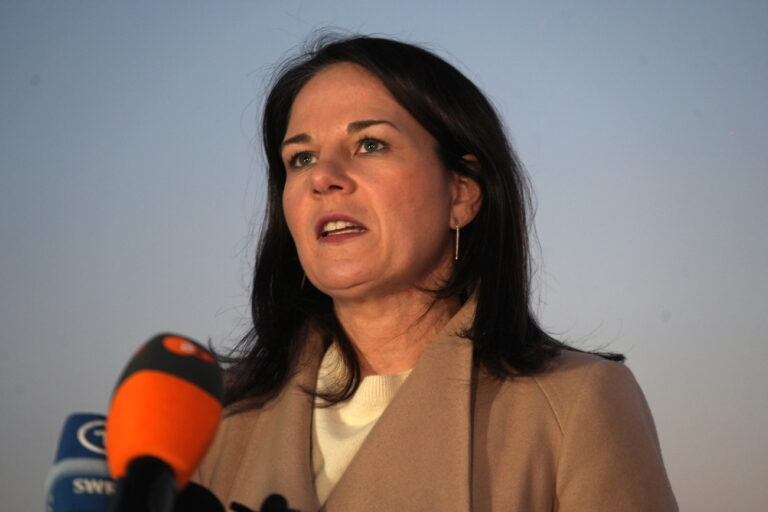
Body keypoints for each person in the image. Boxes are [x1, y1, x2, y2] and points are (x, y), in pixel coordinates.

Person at [193, 35, 678, 511]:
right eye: (301, 158)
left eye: (369, 145)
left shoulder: (577, 404)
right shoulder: (209, 417)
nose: (322, 177)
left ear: (462, 193)